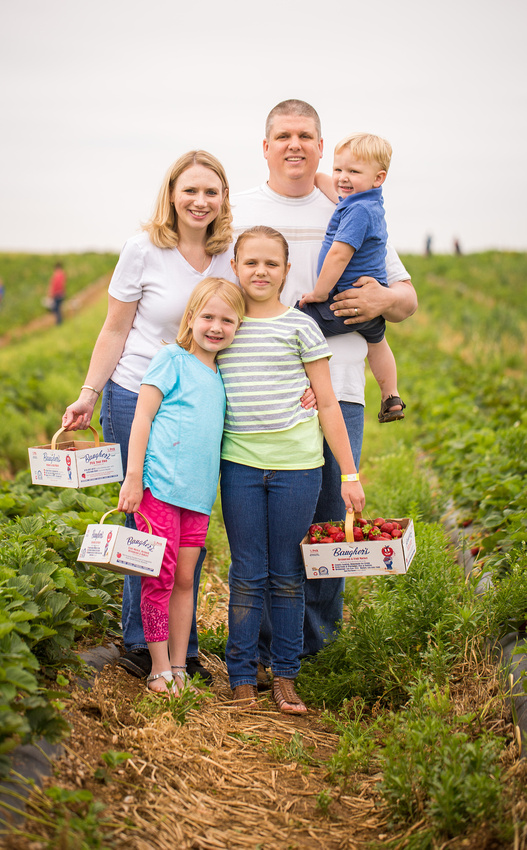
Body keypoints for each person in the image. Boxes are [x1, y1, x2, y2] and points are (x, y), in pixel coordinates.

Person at [231, 99, 417, 667]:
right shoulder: (240, 212)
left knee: (328, 521)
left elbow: (405, 298)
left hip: (340, 388)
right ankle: (264, 652)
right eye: (283, 135)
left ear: (320, 144)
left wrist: (383, 299)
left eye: (306, 135)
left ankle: (316, 650)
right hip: (261, 395)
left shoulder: (347, 203)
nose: (295, 144)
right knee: (265, 527)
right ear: (264, 146)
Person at [61, 150, 235, 685]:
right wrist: (90, 392)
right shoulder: (143, 250)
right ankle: (141, 646)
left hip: (199, 399)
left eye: (211, 191)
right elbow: (115, 329)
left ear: (224, 197)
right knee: (147, 524)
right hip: (136, 392)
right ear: (172, 195)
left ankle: (182, 650)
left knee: (185, 525)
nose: (200, 201)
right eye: (190, 190)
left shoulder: (228, 254)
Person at [218, 226, 365, 712]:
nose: (260, 272)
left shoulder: (301, 326)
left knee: (286, 574)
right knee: (246, 572)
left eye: (271, 264)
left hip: (298, 468)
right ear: (235, 267)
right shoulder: (225, 325)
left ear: (285, 270)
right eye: (250, 263)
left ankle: (285, 675)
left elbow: (326, 401)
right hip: (239, 465)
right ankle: (241, 674)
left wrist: (349, 473)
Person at [117, 277, 244, 694]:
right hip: (160, 488)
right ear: (191, 318)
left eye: (228, 319)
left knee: (186, 579)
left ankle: (179, 665)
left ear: (238, 326)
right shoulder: (171, 359)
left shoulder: (223, 374)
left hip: (198, 496)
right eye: (208, 316)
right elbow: (142, 418)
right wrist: (134, 478)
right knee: (160, 577)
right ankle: (158, 668)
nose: (216, 326)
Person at [298, 132, 405, 424]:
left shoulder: (357, 211)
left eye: (353, 171)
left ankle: (302, 386)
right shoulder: (367, 201)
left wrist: (319, 294)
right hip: (370, 305)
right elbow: (331, 184)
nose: (342, 178)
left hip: (343, 301)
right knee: (378, 342)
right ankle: (390, 395)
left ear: (378, 178)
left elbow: (338, 256)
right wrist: (320, 176)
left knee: (298, 323)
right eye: (338, 169)